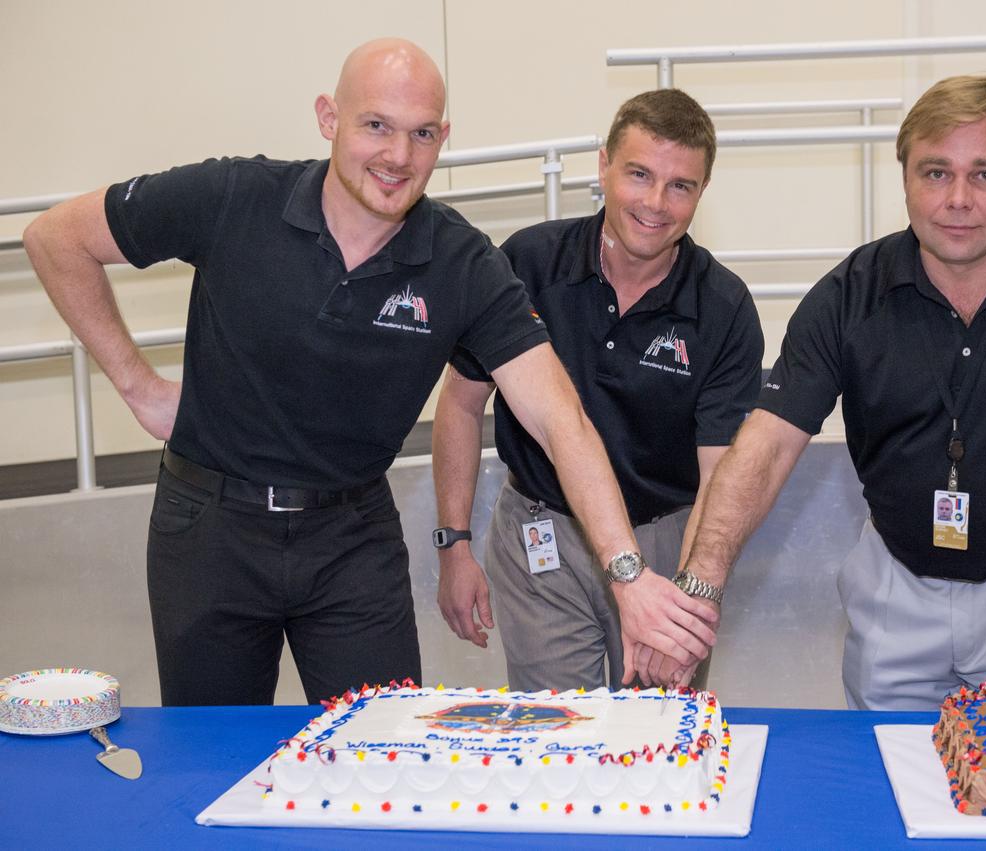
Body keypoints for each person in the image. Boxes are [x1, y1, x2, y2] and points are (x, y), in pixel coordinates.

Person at [22, 39, 716, 706]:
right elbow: (56, 236)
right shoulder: (234, 196)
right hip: (209, 531)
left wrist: (626, 574)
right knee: (209, 759)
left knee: (385, 752)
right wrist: (137, 385)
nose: (396, 155)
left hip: (351, 540)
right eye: (376, 126)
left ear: (442, 139)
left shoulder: (462, 263)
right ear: (328, 118)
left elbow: (561, 421)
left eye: (420, 134)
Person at [675, 75, 986, 710]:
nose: (957, 199)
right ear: (906, 179)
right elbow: (769, 443)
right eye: (936, 173)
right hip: (897, 588)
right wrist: (700, 585)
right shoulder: (849, 296)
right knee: (886, 786)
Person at [432, 89, 763, 691]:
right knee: (559, 742)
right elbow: (459, 401)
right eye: (639, 174)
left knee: (656, 740)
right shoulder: (528, 263)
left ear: (702, 192)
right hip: (544, 538)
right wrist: (454, 544)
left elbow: (721, 476)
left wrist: (691, 598)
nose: (656, 203)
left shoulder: (724, 307)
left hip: (669, 545)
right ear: (604, 163)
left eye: (680, 185)